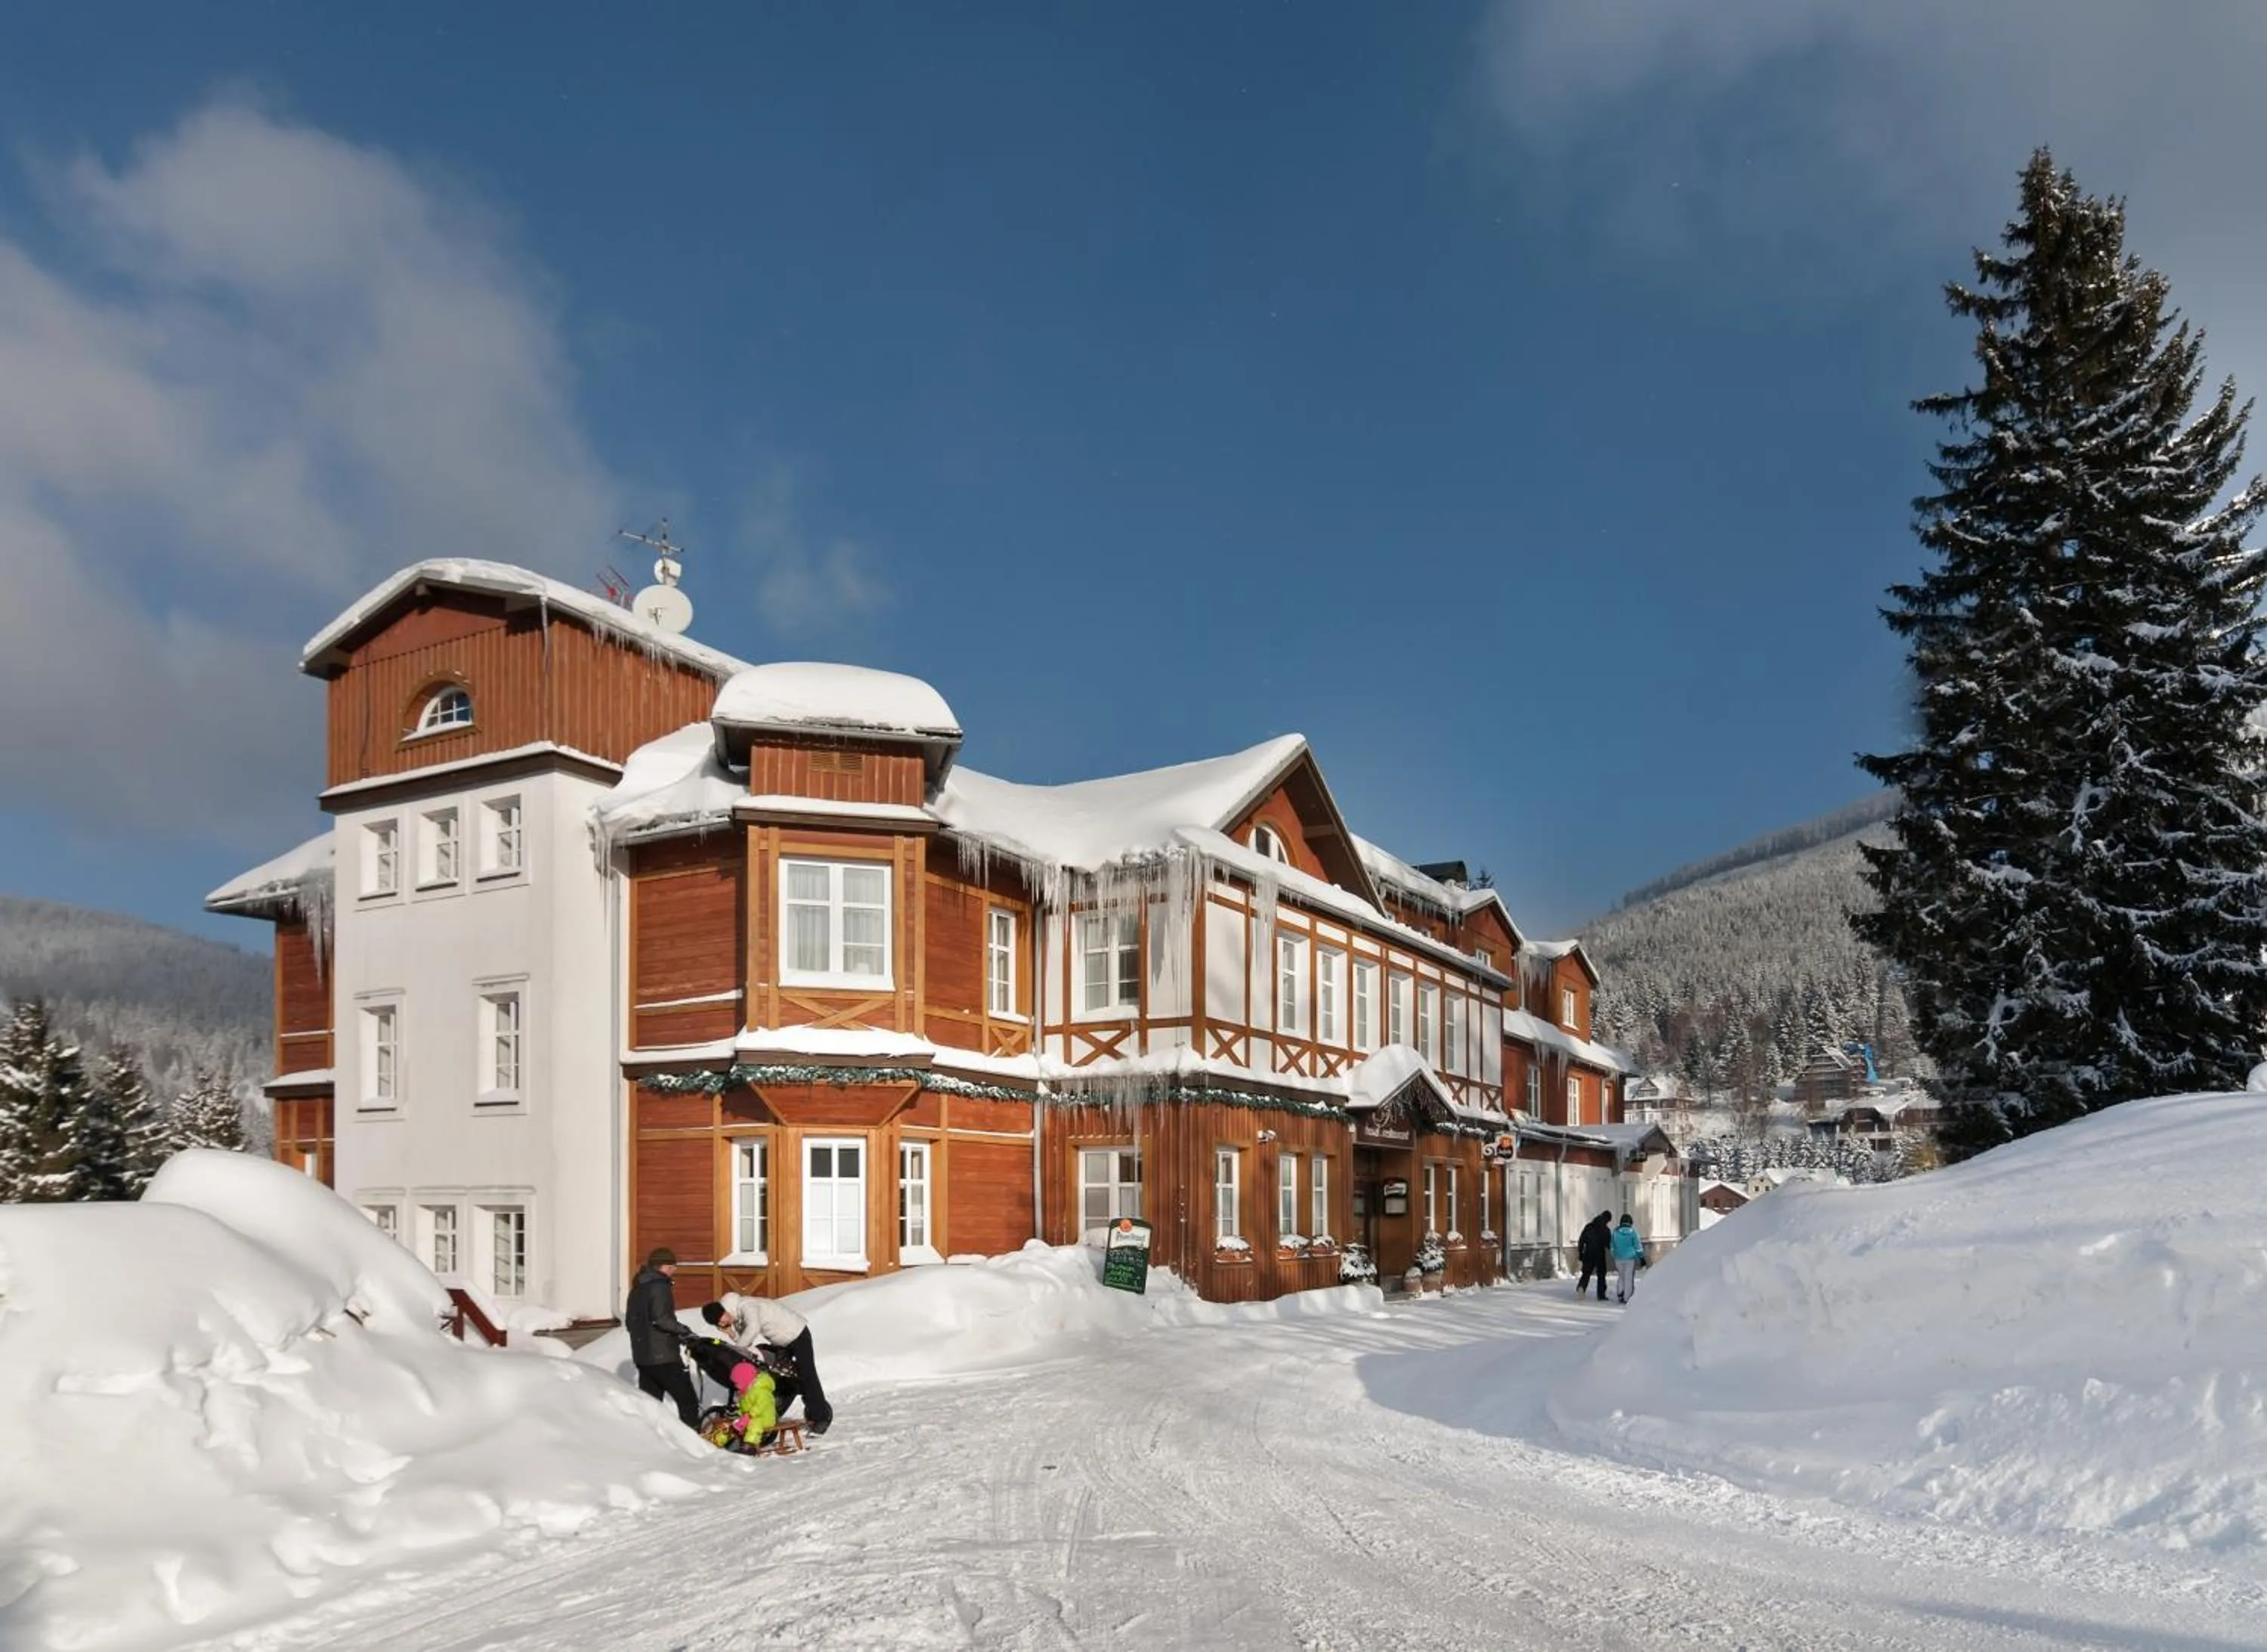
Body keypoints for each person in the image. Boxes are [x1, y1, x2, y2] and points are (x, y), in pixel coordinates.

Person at [703, 1291, 833, 1435]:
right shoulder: (737, 1316)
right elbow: (746, 1341)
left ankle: (821, 1416)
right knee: (784, 1375)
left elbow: (753, 1329)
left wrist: (736, 1348)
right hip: (783, 1342)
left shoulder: (747, 1306)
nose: (722, 1324)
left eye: (720, 1320)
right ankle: (779, 1408)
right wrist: (731, 1333)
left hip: (797, 1333)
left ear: (724, 1311)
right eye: (718, 1325)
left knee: (807, 1374)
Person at [626, 1246, 698, 1428]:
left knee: (652, 1406)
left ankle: (653, 1441)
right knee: (688, 1400)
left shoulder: (638, 1288)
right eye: (672, 1266)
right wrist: (684, 1331)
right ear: (663, 1266)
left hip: (643, 1357)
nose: (675, 1270)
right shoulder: (659, 1286)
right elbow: (662, 1319)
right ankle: (694, 1442)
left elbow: (630, 1323)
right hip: (663, 1357)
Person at [699, 1359, 779, 1455]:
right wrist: (738, 1413)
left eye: (737, 1382)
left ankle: (749, 1446)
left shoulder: (761, 1390)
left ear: (745, 1379)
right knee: (731, 1425)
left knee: (754, 1424)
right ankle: (716, 1442)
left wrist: (749, 1415)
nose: (736, 1385)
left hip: (765, 1418)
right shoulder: (745, 1392)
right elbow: (744, 1406)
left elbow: (762, 1405)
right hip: (747, 1417)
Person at [1576, 1210, 1613, 1302]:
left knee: (1586, 1273)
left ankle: (1582, 1287)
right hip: (1599, 1253)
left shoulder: (1589, 1227)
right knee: (1601, 1274)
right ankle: (1601, 1294)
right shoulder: (1606, 1230)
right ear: (1607, 1220)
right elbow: (1608, 1244)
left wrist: (1580, 1253)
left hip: (1588, 1252)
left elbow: (1581, 1240)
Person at [1610, 1213, 1644, 1304]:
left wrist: (1614, 1254)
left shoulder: (1615, 1232)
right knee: (1628, 1278)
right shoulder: (1633, 1233)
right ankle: (1627, 1297)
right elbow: (1638, 1246)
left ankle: (1620, 1292)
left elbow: (1612, 1246)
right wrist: (1641, 1257)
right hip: (1630, 1258)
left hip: (1618, 1258)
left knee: (1621, 1276)